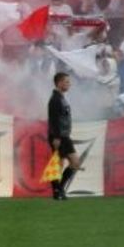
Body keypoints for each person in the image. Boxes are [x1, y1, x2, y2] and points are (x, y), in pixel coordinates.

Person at [46, 72, 80, 201]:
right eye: (66, 82)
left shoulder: (60, 97)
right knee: (72, 162)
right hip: (60, 137)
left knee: (61, 163)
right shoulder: (55, 99)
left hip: (63, 136)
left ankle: (58, 190)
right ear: (59, 83)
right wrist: (56, 137)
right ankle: (59, 189)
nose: (69, 84)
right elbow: (53, 119)